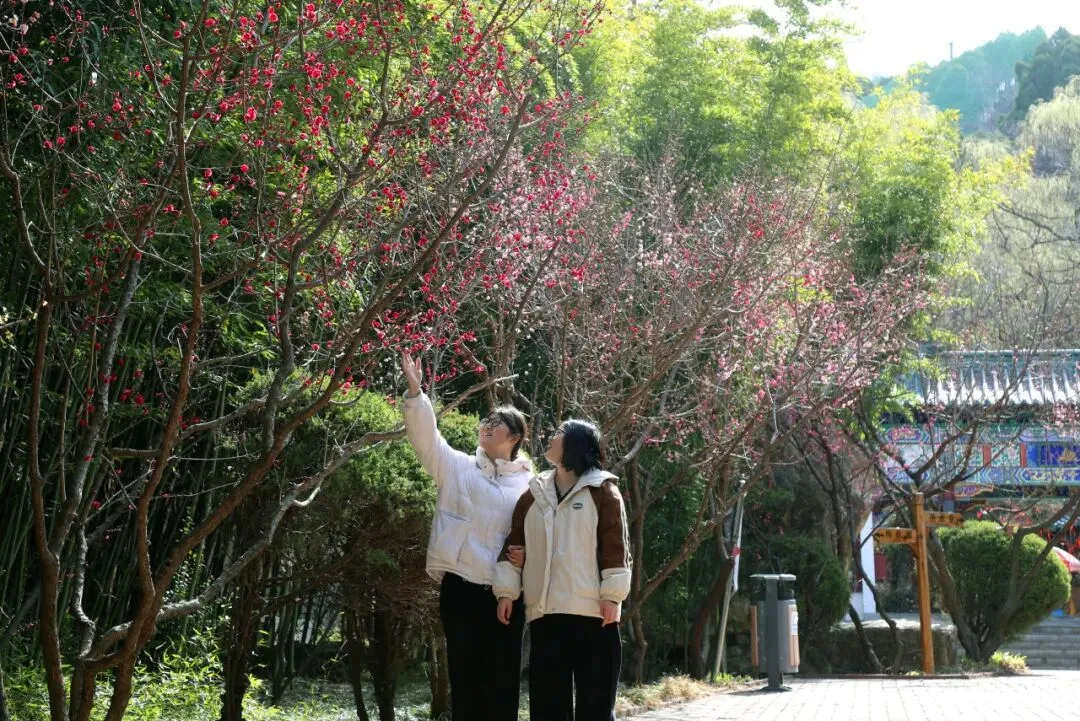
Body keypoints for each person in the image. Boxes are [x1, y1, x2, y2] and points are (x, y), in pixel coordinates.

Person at [399, 351, 530, 721]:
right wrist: (416, 393)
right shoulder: (458, 467)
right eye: (485, 420)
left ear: (514, 437)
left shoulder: (530, 485)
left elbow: (539, 536)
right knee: (465, 678)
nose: (486, 426)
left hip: (506, 593)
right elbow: (427, 440)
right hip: (460, 588)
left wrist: (528, 558)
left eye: (496, 423)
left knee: (502, 681)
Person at [493, 420, 631, 721]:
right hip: (547, 615)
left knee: (595, 709)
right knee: (548, 709)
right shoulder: (534, 493)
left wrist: (612, 595)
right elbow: (514, 543)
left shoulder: (603, 491)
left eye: (558, 434)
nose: (550, 437)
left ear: (575, 444)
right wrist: (506, 592)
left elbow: (616, 547)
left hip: (595, 615)